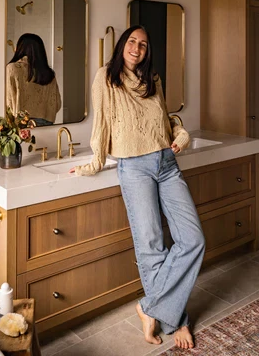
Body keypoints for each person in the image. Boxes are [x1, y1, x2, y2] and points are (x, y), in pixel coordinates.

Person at [70, 25, 205, 350]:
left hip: (166, 162)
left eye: (143, 44)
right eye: (132, 41)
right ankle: (177, 320)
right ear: (122, 45)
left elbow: (166, 120)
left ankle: (148, 307)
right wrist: (93, 162)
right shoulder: (106, 77)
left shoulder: (152, 79)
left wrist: (182, 133)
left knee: (193, 239)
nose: (137, 47)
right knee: (152, 246)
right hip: (134, 167)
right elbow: (101, 123)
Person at [6, 33, 61, 126]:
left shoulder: (12, 68)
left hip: (20, 122)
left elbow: (8, 99)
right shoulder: (48, 73)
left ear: (20, 48)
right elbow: (57, 103)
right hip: (46, 122)